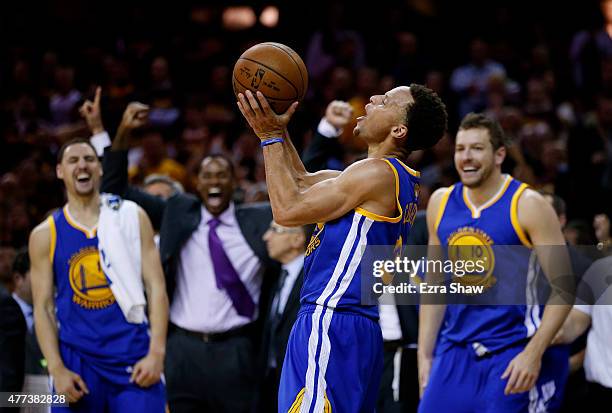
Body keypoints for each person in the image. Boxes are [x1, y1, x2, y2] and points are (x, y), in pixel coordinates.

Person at [237, 83, 447, 412]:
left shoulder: (377, 173)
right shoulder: (392, 176)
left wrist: (268, 137)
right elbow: (301, 181)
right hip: (360, 329)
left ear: (398, 130)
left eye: (387, 101)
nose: (374, 98)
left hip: (330, 320)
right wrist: (278, 131)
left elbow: (287, 210)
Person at [98, 103, 276, 413]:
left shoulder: (259, 220)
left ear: (234, 182)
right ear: (198, 184)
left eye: (223, 175)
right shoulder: (179, 212)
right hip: (183, 351)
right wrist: (124, 133)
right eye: (207, 175)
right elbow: (115, 187)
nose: (215, 181)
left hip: (237, 350)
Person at [418, 113, 572, 412]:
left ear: (499, 154)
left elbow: (564, 287)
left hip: (509, 350)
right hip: (453, 350)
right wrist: (425, 355)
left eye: (477, 148)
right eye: (460, 149)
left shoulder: (528, 205)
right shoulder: (440, 201)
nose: (466, 157)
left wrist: (533, 353)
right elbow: (435, 284)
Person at [29, 137, 168, 412]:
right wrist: (56, 369)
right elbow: (42, 307)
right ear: (60, 171)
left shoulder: (131, 216)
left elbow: (156, 289)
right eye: (73, 160)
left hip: (133, 358)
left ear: (100, 168)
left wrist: (156, 353)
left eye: (89, 159)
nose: (82, 165)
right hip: (76, 363)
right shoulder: (46, 233)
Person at [256, 221, 307, 413]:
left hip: (300, 382)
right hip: (271, 379)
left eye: (275, 230)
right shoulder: (274, 274)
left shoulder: (314, 278)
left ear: (297, 238)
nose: (266, 236)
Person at [11, 247, 49, 413]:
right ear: (19, 279)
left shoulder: (56, 313)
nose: (47, 280)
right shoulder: (4, 312)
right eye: (38, 273)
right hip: (12, 396)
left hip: (51, 391)